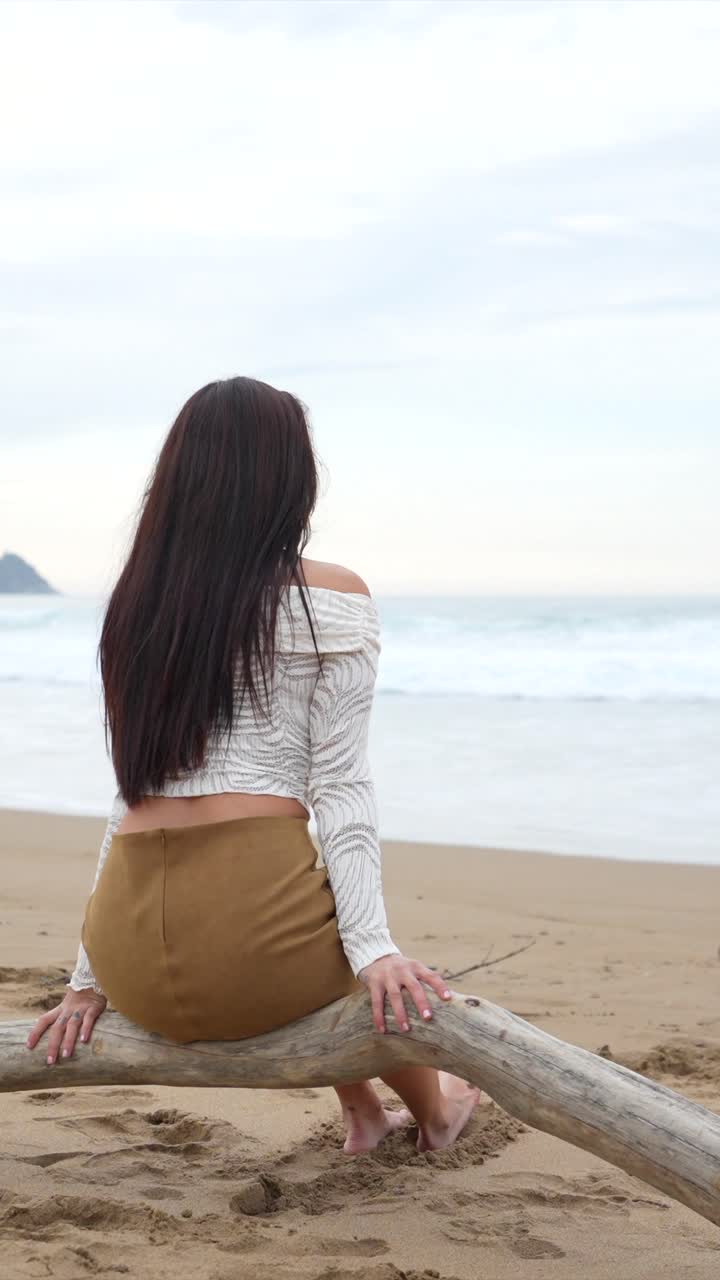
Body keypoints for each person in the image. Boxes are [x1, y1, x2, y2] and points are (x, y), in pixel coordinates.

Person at [26, 376, 481, 1154]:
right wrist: (375, 946)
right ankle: (435, 1114)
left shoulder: (139, 610)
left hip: (133, 959)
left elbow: (128, 798)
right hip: (259, 962)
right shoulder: (332, 597)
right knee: (332, 941)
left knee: (291, 908)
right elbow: (340, 787)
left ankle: (362, 1111)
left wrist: (89, 979)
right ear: (287, 478)